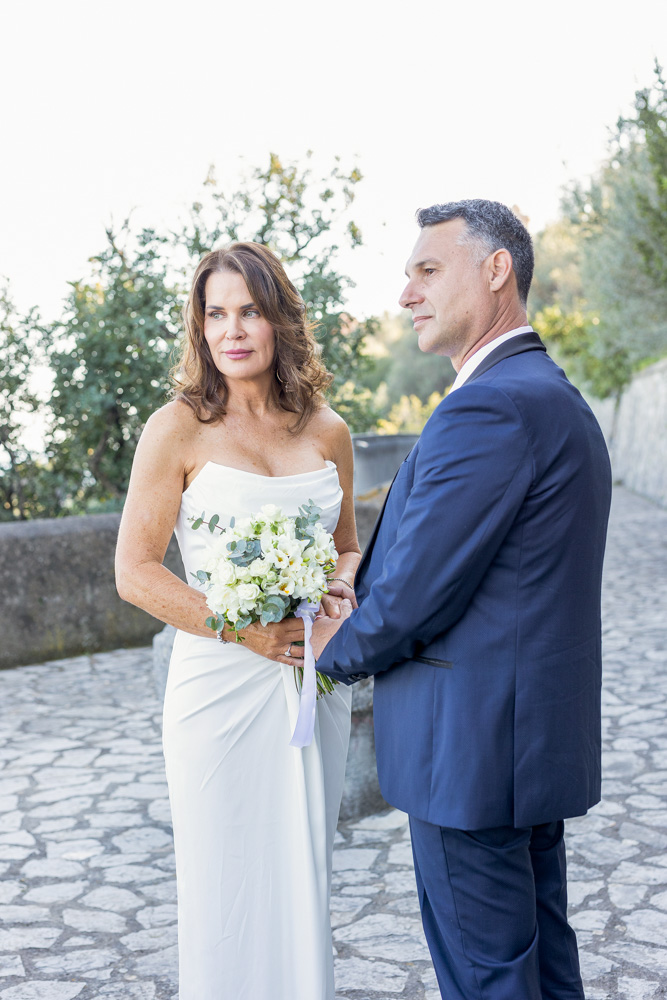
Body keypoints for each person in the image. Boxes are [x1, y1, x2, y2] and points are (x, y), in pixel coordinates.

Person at [306, 201, 612, 999]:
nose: (406, 292)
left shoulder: (490, 405)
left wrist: (326, 652)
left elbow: (415, 592)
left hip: (470, 757)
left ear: (496, 269)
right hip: (520, 743)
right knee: (539, 966)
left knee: (488, 979)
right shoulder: (548, 394)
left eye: (426, 270)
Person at [115, 242, 361, 1000]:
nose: (233, 330)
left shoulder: (328, 432)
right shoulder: (177, 428)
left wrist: (337, 596)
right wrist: (238, 627)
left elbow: (346, 548)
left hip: (306, 688)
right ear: (199, 328)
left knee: (300, 872)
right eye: (215, 314)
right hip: (218, 689)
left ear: (279, 317)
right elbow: (136, 572)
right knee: (225, 884)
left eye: (249, 310)